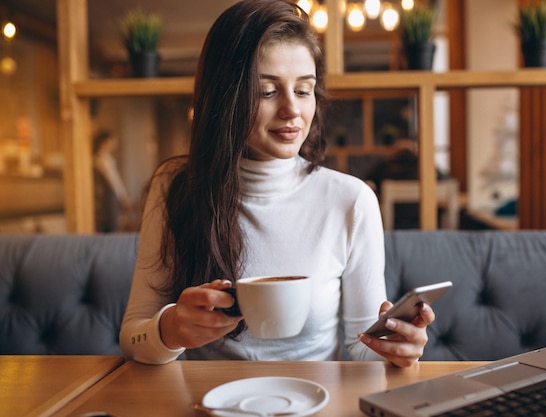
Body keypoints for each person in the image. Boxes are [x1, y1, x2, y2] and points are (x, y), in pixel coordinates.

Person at [120, 0, 435, 367]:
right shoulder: (175, 187)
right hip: (207, 403)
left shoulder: (351, 200)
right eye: (267, 92)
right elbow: (132, 337)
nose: (292, 111)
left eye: (303, 90)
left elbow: (362, 346)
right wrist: (170, 330)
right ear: (226, 99)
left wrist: (398, 348)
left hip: (315, 401)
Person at [93, 130, 131, 232]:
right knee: (111, 225)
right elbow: (113, 181)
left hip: (109, 197)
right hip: (108, 197)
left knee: (111, 224)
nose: (113, 144)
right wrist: (123, 197)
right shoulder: (102, 159)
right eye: (111, 141)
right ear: (104, 142)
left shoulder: (104, 158)